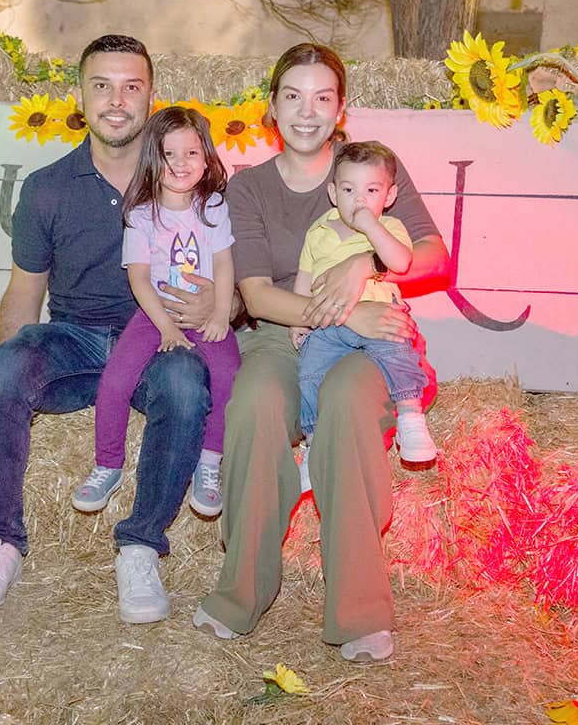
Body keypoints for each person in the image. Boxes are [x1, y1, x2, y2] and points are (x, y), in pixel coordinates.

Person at [193, 43, 451, 662]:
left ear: (342, 109)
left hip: (372, 339)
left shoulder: (370, 168)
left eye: (322, 97)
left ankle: (360, 609)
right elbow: (255, 293)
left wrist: (365, 257)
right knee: (254, 404)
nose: (306, 112)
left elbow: (435, 255)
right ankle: (240, 593)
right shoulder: (249, 187)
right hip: (286, 332)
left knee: (344, 403)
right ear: (271, 108)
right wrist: (343, 307)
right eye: (292, 95)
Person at [0, 35, 218, 626]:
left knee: (183, 386)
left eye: (131, 86)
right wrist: (10, 374)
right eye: (102, 85)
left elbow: (232, 274)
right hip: (74, 336)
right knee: (2, 375)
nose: (116, 100)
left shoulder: (188, 184)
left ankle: (141, 547)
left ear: (152, 96)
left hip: (156, 339)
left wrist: (215, 305)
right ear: (80, 95)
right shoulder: (47, 187)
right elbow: (25, 293)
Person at [73, 106, 240, 519]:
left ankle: (209, 462)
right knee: (115, 380)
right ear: (153, 158)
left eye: (192, 153)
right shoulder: (141, 213)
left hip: (204, 314)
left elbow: (223, 263)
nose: (181, 164)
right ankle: (107, 464)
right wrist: (165, 327)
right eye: (170, 154)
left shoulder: (213, 206)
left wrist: (220, 313)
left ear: (207, 157)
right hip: (154, 315)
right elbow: (140, 279)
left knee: (227, 374)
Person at [290, 140, 437, 493]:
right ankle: (312, 442)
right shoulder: (319, 231)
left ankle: (410, 416)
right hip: (328, 322)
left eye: (371, 190)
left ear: (388, 196)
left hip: (379, 316)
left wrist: (372, 228)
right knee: (309, 372)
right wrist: (298, 318)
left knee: (398, 351)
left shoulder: (391, 227)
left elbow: (401, 262)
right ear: (332, 192)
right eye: (348, 189)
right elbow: (305, 277)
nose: (359, 199)